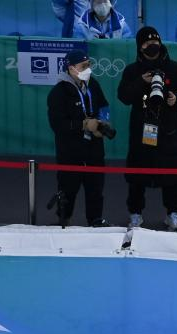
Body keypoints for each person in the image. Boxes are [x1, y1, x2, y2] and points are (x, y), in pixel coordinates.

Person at [117, 27, 177, 232]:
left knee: (172, 176)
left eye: (155, 42)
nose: (152, 46)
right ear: (139, 47)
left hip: (169, 132)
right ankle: (135, 215)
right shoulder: (132, 71)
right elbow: (123, 97)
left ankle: (173, 215)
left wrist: (176, 98)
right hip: (141, 131)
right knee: (137, 175)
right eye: (146, 44)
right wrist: (140, 83)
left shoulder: (175, 69)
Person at [46, 48, 112, 227]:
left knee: (95, 189)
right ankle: (64, 219)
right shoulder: (58, 93)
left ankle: (96, 220)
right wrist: (83, 125)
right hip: (71, 151)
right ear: (71, 68)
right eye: (83, 66)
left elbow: (104, 106)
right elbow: (57, 125)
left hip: (94, 150)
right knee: (68, 189)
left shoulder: (93, 85)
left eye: (88, 65)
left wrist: (103, 123)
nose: (88, 69)